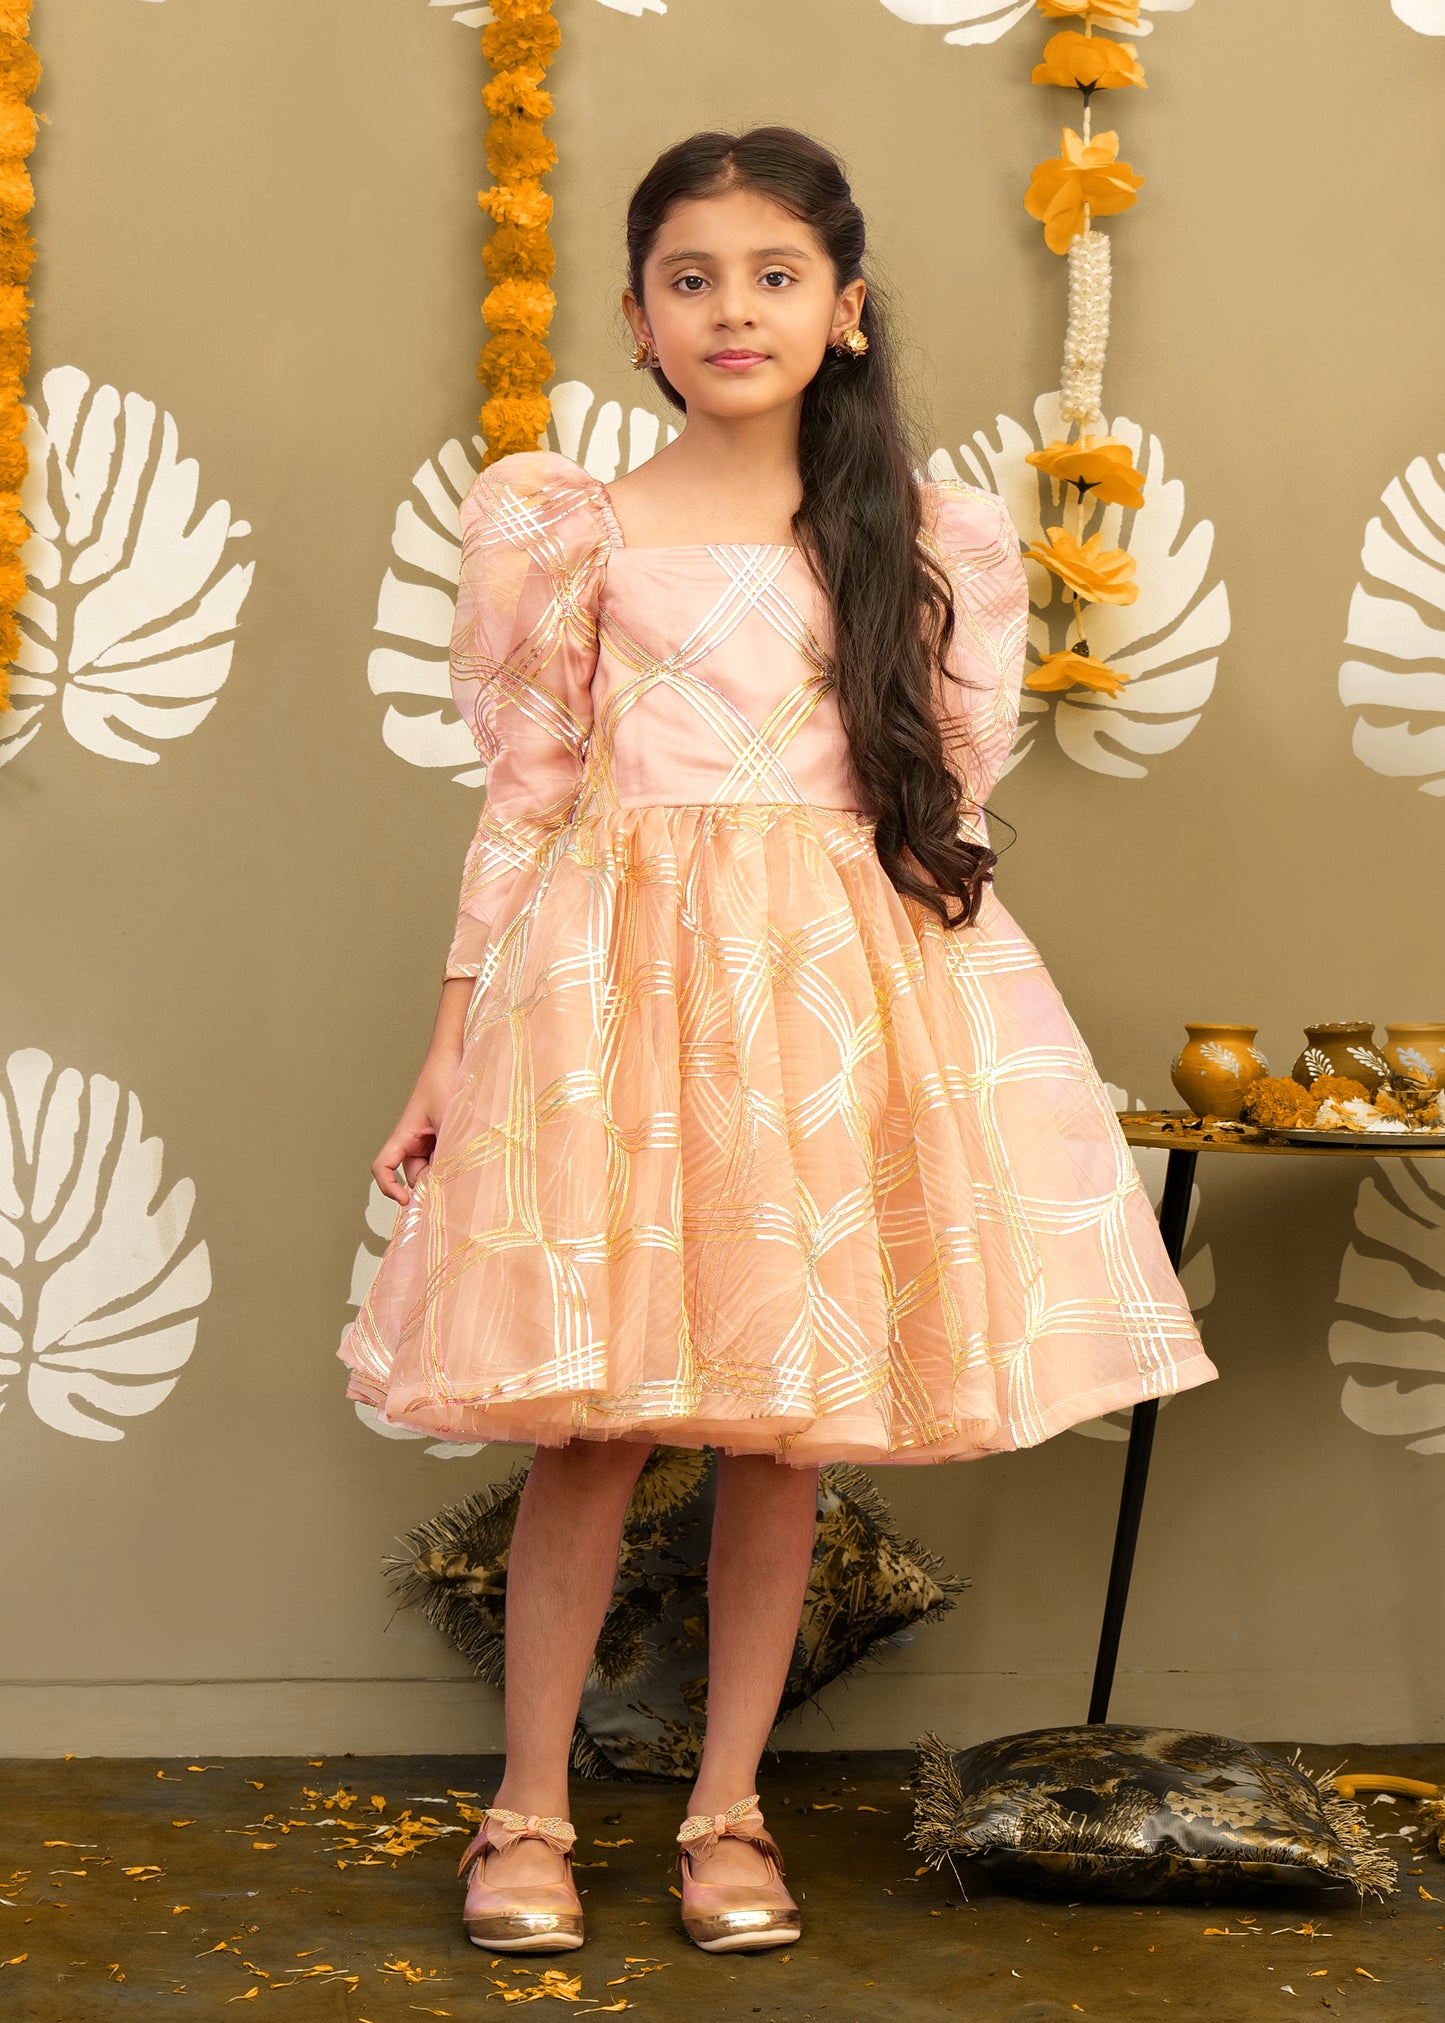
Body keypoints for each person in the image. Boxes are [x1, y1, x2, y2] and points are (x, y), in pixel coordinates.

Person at [338, 124, 1218, 1959]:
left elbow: (939, 810)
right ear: (640, 314)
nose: (731, 309)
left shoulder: (930, 541)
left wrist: (946, 1078)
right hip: (612, 992)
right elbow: (524, 799)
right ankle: (528, 1817)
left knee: (779, 1429)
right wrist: (448, 1045)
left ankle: (728, 1811)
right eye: (689, 277)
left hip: (821, 1004)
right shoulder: (572, 523)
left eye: (772, 275)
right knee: (590, 1423)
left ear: (845, 306)